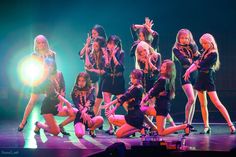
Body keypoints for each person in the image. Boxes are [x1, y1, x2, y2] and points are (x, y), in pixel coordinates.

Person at [184, 33, 235, 134]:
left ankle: (230, 124)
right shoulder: (205, 52)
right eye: (202, 43)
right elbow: (196, 63)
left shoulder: (213, 54)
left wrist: (191, 69)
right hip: (200, 78)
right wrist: (188, 71)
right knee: (203, 104)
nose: (203, 45)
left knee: (217, 103)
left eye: (205, 43)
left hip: (208, 78)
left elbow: (200, 64)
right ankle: (206, 126)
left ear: (210, 42)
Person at [141, 60, 191, 136]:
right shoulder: (167, 79)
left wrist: (145, 100)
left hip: (161, 108)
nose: (161, 68)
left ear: (169, 70)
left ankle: (184, 126)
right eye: (162, 66)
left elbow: (153, 92)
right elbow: (155, 90)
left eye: (164, 67)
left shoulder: (163, 80)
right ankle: (153, 128)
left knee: (161, 132)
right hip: (161, 107)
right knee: (141, 111)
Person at [18, 35, 56, 132]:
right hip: (38, 81)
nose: (41, 44)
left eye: (43, 42)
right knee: (31, 102)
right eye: (39, 43)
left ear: (46, 43)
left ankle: (40, 124)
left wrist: (54, 81)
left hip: (48, 81)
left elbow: (54, 70)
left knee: (50, 104)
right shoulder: (34, 55)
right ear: (36, 44)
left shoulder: (52, 54)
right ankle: (23, 121)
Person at [136, 41, 176, 127]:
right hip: (147, 83)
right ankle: (152, 125)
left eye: (144, 50)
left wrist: (149, 61)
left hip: (158, 82)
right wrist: (146, 62)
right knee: (152, 105)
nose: (143, 53)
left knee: (156, 106)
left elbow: (157, 71)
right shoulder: (140, 60)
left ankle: (153, 126)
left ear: (148, 48)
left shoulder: (157, 56)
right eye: (141, 52)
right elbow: (145, 73)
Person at [34, 58, 76, 136]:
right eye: (47, 66)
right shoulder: (43, 78)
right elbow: (54, 93)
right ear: (44, 67)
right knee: (56, 132)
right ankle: (39, 124)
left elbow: (63, 90)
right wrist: (67, 103)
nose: (49, 68)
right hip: (48, 107)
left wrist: (61, 104)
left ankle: (60, 126)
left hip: (57, 105)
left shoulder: (58, 74)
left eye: (51, 66)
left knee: (75, 112)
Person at [103, 69, 144, 138]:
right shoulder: (132, 87)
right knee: (111, 118)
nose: (132, 80)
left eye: (134, 78)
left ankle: (138, 128)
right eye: (131, 78)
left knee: (118, 134)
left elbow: (123, 98)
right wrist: (109, 104)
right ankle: (135, 128)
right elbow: (122, 97)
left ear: (139, 79)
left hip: (136, 117)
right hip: (130, 116)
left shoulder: (138, 88)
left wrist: (113, 109)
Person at [172, 29, 200, 129]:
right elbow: (184, 61)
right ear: (178, 38)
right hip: (185, 75)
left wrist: (192, 48)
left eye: (186, 38)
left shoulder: (193, 46)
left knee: (194, 100)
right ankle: (186, 122)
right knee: (191, 99)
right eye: (182, 38)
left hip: (195, 74)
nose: (184, 40)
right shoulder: (176, 49)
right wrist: (192, 60)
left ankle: (189, 124)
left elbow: (199, 59)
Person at [102, 35, 126, 135]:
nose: (111, 45)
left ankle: (133, 121)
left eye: (114, 44)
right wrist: (107, 57)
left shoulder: (121, 53)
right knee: (108, 105)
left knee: (125, 103)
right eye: (110, 43)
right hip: (108, 80)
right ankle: (112, 126)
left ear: (117, 45)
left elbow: (120, 66)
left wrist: (113, 55)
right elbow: (106, 68)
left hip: (118, 80)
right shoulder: (104, 54)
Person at [71, 72, 104, 138]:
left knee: (100, 119)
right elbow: (77, 104)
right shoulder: (74, 92)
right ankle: (82, 127)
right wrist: (83, 113)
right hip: (80, 117)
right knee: (79, 134)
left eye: (83, 81)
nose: (80, 82)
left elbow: (90, 100)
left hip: (90, 116)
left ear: (87, 81)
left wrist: (85, 112)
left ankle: (91, 129)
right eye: (79, 80)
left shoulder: (92, 89)